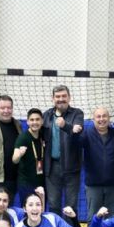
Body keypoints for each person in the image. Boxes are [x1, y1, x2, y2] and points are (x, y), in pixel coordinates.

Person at [79, 106, 114, 227]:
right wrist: (71, 130)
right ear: (93, 119)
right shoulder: (86, 134)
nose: (102, 119)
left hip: (112, 185)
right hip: (93, 185)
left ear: (109, 118)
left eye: (104, 116)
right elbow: (74, 142)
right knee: (93, 216)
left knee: (112, 217)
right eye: (98, 116)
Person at [42, 85, 84, 216]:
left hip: (71, 167)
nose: (61, 99)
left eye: (64, 96)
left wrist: (65, 125)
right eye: (58, 96)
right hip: (51, 167)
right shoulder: (46, 115)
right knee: (53, 205)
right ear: (53, 99)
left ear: (69, 97)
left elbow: (77, 132)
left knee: (71, 206)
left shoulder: (77, 113)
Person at [13, 108, 45, 205]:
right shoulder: (23, 138)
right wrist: (19, 154)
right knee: (27, 209)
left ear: (42, 121)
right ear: (27, 122)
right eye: (32, 120)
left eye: (37, 119)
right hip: (26, 183)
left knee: (40, 209)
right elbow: (14, 159)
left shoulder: (42, 135)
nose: (35, 122)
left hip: (40, 181)